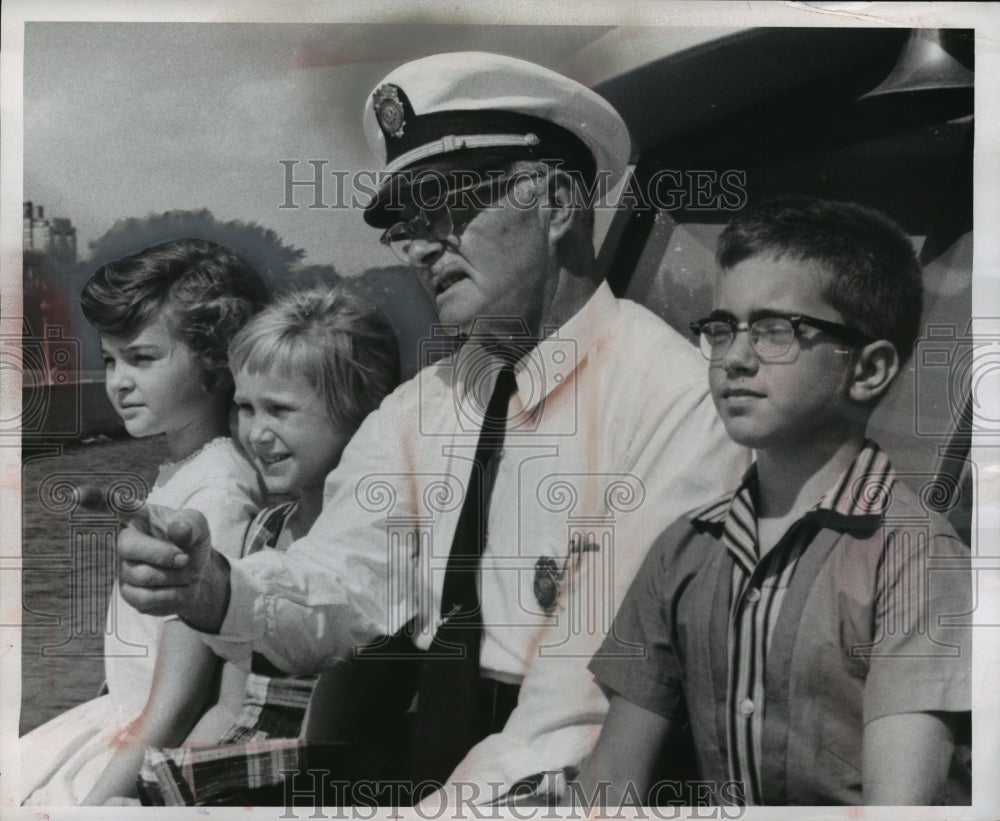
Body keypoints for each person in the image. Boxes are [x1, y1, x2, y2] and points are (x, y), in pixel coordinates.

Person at [115, 52, 746, 806]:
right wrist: (216, 585)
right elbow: (341, 582)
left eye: (444, 205)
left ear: (555, 202)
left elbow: (578, 711)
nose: (416, 245)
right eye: (404, 224)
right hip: (441, 775)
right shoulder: (423, 409)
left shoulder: (676, 403)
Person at [578, 196, 972, 807]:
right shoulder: (682, 550)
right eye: (721, 327)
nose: (734, 356)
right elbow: (609, 785)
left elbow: (902, 807)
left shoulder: (914, 555)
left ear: (867, 371)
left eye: (775, 331)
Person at [20, 238, 268, 805]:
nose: (118, 381)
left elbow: (178, 701)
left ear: (215, 356)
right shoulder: (186, 471)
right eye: (110, 360)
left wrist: (98, 804)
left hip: (142, 743)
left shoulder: (218, 493)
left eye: (143, 358)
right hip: (115, 720)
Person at [137, 285, 403, 805]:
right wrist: (169, 789)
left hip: (310, 785)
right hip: (242, 770)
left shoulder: (379, 550)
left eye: (279, 410)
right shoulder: (266, 528)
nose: (255, 434)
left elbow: (334, 738)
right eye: (245, 409)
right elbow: (231, 709)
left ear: (362, 412)